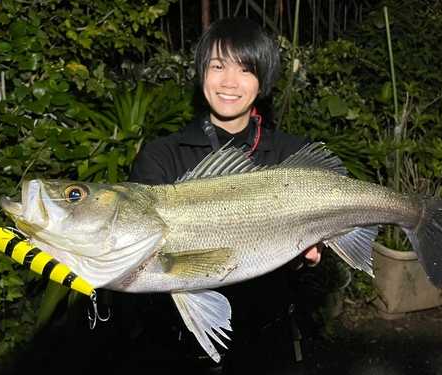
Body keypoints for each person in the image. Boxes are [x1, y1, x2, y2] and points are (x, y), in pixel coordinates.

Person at [128, 17, 323, 375]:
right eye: (218, 66)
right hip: (176, 354)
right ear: (202, 72)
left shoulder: (292, 157)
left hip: (270, 351)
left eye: (246, 70)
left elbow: (305, 252)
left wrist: (305, 254)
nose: (229, 82)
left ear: (263, 81)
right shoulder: (160, 157)